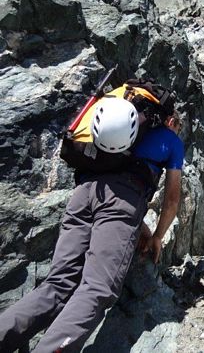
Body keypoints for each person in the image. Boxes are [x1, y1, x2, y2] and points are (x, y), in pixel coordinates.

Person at [0, 100, 184, 353]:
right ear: (171, 121)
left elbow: (112, 186)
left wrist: (136, 224)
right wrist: (158, 236)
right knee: (97, 288)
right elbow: (172, 200)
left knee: (58, 283)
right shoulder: (170, 139)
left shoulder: (121, 134)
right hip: (122, 201)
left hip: (84, 194)